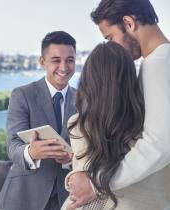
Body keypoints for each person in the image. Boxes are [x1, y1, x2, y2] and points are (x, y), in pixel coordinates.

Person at [66, 0, 170, 209]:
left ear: (129, 23)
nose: (112, 46)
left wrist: (96, 182)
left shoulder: (157, 65)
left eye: (110, 37)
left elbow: (159, 144)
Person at [0, 31, 77, 210]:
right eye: (56, 60)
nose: (64, 67)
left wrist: (71, 159)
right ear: (42, 62)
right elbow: (13, 146)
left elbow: (91, 150)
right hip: (24, 196)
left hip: (67, 198)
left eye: (70, 60)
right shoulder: (22, 95)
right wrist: (31, 152)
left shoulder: (85, 100)